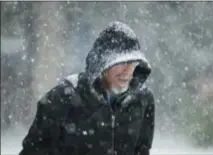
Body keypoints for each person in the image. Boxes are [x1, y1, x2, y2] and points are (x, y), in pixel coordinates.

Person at [19, 21, 155, 155]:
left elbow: (142, 150)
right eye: (121, 62)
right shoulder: (63, 98)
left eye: (133, 62)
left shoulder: (142, 99)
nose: (127, 70)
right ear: (103, 63)